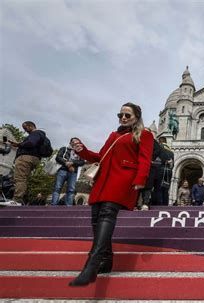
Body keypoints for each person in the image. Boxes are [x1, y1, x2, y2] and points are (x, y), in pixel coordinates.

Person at [68, 102, 153, 287]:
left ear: (137, 117)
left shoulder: (144, 134)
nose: (123, 118)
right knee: (96, 219)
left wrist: (140, 180)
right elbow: (99, 157)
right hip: (102, 182)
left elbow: (145, 160)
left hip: (122, 180)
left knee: (107, 215)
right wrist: (81, 150)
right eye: (120, 115)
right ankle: (106, 261)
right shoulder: (113, 136)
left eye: (127, 115)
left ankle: (91, 265)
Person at [8, 121, 45, 205]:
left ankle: (16, 200)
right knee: (23, 179)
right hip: (34, 158)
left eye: (25, 128)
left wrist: (19, 144)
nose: (25, 130)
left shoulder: (36, 133)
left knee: (20, 178)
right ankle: (21, 199)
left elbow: (31, 143)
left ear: (31, 126)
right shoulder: (40, 135)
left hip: (26, 157)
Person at [51, 138, 85, 206]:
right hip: (62, 170)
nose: (75, 143)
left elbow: (82, 162)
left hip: (73, 173)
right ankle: (54, 205)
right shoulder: (64, 149)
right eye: (73, 142)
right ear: (70, 143)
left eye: (77, 142)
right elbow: (58, 157)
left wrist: (72, 162)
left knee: (71, 190)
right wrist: (66, 163)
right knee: (57, 187)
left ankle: (68, 207)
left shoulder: (80, 153)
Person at [151, 137, 174, 206]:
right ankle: (165, 205)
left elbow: (154, 158)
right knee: (166, 188)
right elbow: (173, 164)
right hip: (169, 171)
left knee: (158, 188)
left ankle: (159, 205)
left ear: (160, 141)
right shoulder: (171, 151)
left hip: (160, 170)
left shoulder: (159, 147)